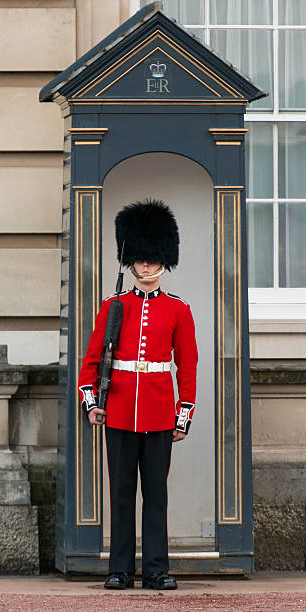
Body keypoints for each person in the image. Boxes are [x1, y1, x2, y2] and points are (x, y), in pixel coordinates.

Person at [78, 199, 198, 590]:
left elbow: (188, 366)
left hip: (160, 411)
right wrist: (92, 403)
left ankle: (157, 570)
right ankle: (120, 569)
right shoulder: (113, 306)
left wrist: (183, 414)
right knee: (122, 493)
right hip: (120, 410)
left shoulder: (178, 310)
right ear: (131, 261)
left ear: (163, 260)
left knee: (156, 495)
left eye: (152, 259)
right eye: (140, 260)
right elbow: (92, 360)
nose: (146, 266)